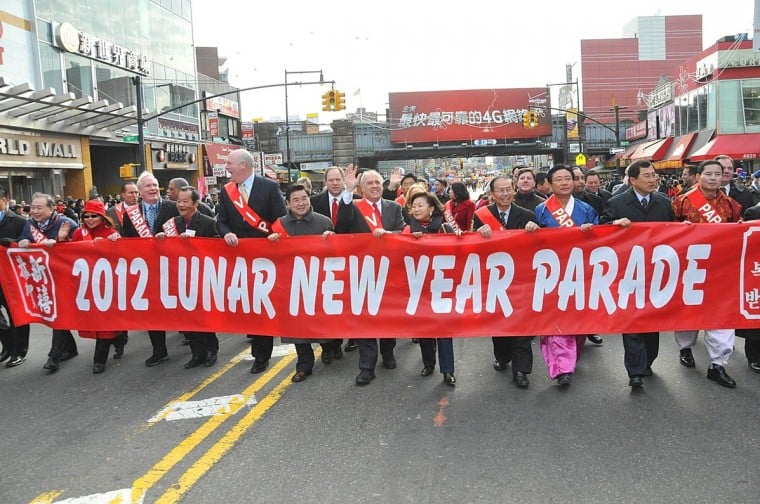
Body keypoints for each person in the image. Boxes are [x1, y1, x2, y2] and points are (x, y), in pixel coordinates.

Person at [601, 160, 676, 388]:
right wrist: (614, 224)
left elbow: (674, 233)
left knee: (651, 323)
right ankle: (635, 371)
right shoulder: (616, 203)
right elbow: (601, 231)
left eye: (654, 175)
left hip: (656, 273)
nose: (653, 179)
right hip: (627, 273)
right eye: (647, 176)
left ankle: (647, 361)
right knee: (632, 322)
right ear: (633, 180)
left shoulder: (664, 203)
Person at [672, 159, 742, 388]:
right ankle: (685, 347)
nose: (713, 178)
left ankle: (718, 364)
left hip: (721, 269)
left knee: (721, 315)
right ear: (698, 176)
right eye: (708, 174)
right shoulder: (681, 202)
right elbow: (667, 233)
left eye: (717, 174)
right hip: (689, 267)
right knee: (688, 313)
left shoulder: (732, 205)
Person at [526, 165, 598, 386]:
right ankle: (561, 368)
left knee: (577, 317)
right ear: (549, 184)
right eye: (559, 179)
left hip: (579, 270)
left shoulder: (587, 209)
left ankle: (570, 356)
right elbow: (531, 243)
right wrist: (529, 229)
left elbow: (602, 238)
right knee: (555, 317)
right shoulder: (541, 210)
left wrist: (592, 231)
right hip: (551, 272)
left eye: (569, 178)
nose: (565, 182)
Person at [217, 149, 287, 374]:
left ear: (244, 166)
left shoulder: (269, 187)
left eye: (230, 163)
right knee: (250, 306)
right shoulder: (227, 191)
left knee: (263, 304)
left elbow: (280, 219)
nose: (227, 168)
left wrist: (275, 236)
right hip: (239, 259)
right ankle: (258, 350)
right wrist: (226, 232)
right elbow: (222, 220)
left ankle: (262, 353)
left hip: (266, 258)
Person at [473, 176, 537, 388]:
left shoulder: (527, 215)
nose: (505, 194)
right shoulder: (481, 216)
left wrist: (534, 230)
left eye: (508, 189)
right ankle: (502, 356)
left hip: (521, 279)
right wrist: (477, 233)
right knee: (498, 322)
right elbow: (472, 247)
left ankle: (521, 370)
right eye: (500, 190)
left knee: (522, 327)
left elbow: (540, 245)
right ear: (492, 194)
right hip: (494, 280)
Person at [344, 167, 405, 386]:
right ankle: (366, 367)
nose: (375, 186)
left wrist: (389, 235)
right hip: (362, 273)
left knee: (388, 317)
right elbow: (341, 228)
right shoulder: (352, 208)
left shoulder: (394, 208)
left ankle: (388, 353)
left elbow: (402, 231)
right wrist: (347, 191)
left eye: (377, 183)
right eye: (369, 184)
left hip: (389, 273)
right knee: (365, 320)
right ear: (361, 188)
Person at [269, 184, 335, 382]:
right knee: (297, 325)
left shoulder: (324, 222)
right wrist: (270, 242)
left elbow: (338, 255)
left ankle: (328, 347)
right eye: (295, 200)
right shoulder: (279, 225)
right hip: (292, 285)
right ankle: (304, 364)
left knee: (322, 321)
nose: (300, 203)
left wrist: (333, 239)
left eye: (304, 198)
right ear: (288, 204)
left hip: (319, 283)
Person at [156, 186, 220, 369]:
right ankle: (196, 353)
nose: (181, 205)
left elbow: (216, 248)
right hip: (180, 278)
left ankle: (211, 351)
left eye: (185, 201)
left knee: (203, 317)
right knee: (188, 318)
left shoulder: (207, 223)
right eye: (179, 201)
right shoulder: (172, 223)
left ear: (195, 203)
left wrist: (195, 244)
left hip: (201, 277)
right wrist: (160, 239)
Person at [120, 171, 180, 367]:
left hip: (173, 267)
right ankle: (159, 350)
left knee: (181, 307)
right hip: (147, 270)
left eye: (155, 185)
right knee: (152, 311)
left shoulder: (173, 207)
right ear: (140, 191)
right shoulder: (132, 213)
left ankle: (198, 347)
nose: (153, 189)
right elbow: (127, 240)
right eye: (148, 186)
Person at [17, 193, 79, 373]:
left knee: (57, 312)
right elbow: (24, 239)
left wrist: (61, 241)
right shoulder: (29, 225)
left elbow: (82, 246)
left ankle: (54, 356)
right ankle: (71, 348)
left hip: (65, 277)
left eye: (39, 207)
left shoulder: (66, 223)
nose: (34, 211)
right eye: (33, 207)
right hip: (44, 279)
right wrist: (24, 241)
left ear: (51, 208)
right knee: (54, 312)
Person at [403, 190, 458, 386]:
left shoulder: (444, 228)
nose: (416, 209)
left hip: (442, 287)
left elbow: (459, 251)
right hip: (419, 288)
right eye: (413, 206)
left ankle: (448, 370)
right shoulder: (407, 230)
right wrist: (410, 242)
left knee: (444, 331)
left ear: (432, 208)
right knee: (425, 329)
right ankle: (428, 363)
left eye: (420, 205)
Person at [67, 200, 125, 373]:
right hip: (86, 286)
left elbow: (121, 257)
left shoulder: (111, 233)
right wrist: (61, 240)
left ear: (102, 217)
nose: (90, 219)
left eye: (94, 216)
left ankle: (99, 360)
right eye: (87, 216)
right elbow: (67, 255)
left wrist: (114, 242)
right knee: (96, 322)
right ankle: (120, 339)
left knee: (105, 324)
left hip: (107, 286)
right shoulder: (79, 232)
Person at [310, 165, 355, 356]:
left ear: (344, 181)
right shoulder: (313, 202)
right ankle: (331, 345)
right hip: (323, 263)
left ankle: (353, 336)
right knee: (327, 304)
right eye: (331, 180)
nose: (335, 184)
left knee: (348, 303)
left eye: (338, 180)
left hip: (350, 261)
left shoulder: (356, 200)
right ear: (325, 182)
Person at [0, 187, 30, 367]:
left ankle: (18, 351)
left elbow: (27, 245)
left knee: (16, 314)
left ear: (4, 200)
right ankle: (7, 345)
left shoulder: (18, 221)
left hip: (12, 278)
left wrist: (13, 244)